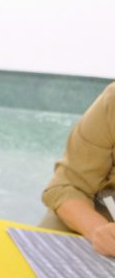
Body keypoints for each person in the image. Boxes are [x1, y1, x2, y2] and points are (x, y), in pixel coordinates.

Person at [41, 83, 115, 256]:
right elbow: (68, 186)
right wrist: (97, 229)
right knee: (42, 256)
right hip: (97, 209)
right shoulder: (113, 101)